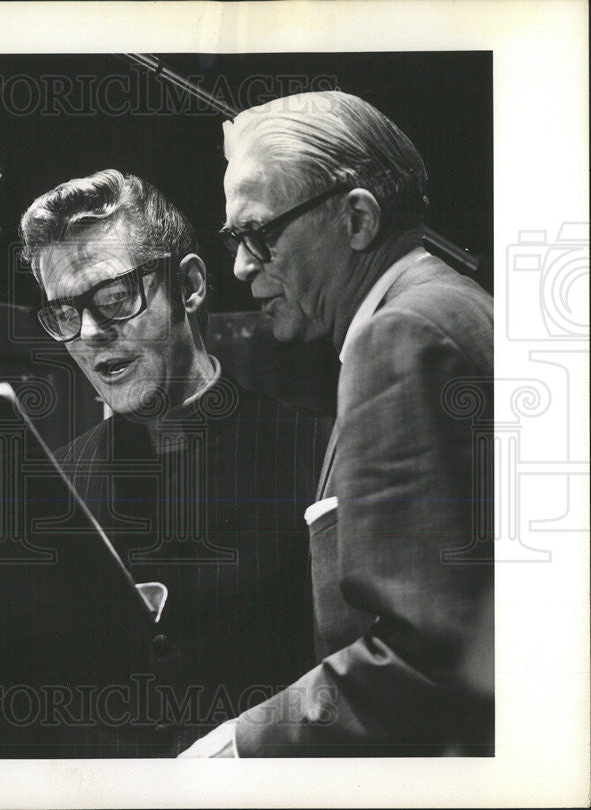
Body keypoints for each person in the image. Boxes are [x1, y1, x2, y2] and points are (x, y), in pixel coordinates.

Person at [0, 170, 330, 757]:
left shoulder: (318, 455)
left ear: (190, 285)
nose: (90, 332)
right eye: (64, 314)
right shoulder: (41, 493)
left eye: (116, 299)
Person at [181, 91, 494, 756]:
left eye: (259, 234)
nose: (240, 267)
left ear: (357, 218)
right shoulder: (454, 310)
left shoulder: (402, 336)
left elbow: (427, 658)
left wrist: (240, 747)